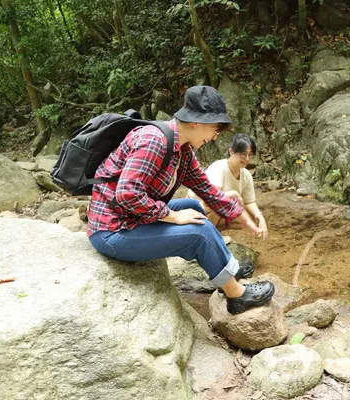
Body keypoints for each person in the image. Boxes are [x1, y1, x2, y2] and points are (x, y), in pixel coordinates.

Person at [86, 85, 275, 315]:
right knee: (198, 232)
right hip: (112, 230)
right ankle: (236, 296)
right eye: (215, 129)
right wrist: (173, 217)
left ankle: (229, 270)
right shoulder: (154, 141)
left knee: (194, 207)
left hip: (132, 218)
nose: (215, 136)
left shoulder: (183, 149)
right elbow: (127, 194)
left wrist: (239, 215)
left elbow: (205, 188)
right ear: (197, 122)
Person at [187, 133, 268, 240]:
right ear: (231, 151)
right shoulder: (219, 168)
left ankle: (214, 230)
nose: (247, 159)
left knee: (251, 217)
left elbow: (249, 202)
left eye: (251, 155)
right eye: (243, 154)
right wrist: (232, 194)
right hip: (195, 206)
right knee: (217, 208)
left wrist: (261, 218)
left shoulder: (246, 175)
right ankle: (203, 238)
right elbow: (209, 199)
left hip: (216, 208)